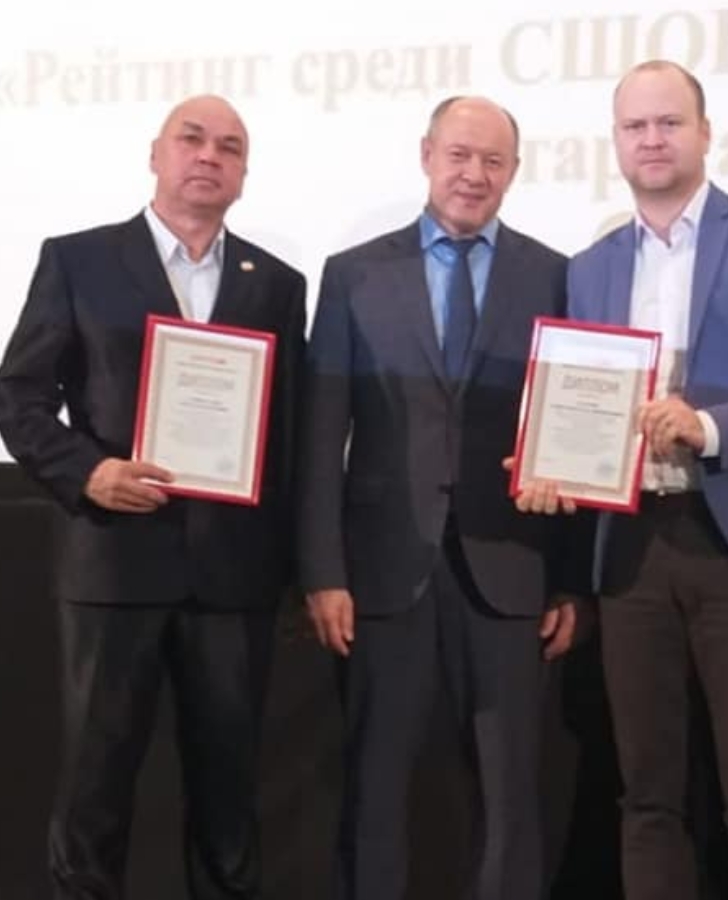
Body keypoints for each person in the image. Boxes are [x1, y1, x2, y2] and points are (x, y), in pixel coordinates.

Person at [0, 94, 307, 899]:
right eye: (191, 139)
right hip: (112, 564)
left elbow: (289, 435)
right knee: (94, 794)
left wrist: (300, 569)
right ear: (156, 154)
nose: (209, 156)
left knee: (229, 804)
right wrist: (87, 471)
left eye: (229, 147)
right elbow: (19, 396)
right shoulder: (80, 260)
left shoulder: (276, 283)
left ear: (244, 173)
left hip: (233, 578)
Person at [535, 59, 728, 900]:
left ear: (705, 133)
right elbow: (579, 400)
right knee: (646, 794)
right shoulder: (590, 267)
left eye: (670, 123)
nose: (653, 140)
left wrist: (712, 427)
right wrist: (551, 461)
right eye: (636, 126)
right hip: (631, 549)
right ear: (616, 142)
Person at [297, 95, 587, 900]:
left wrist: (570, 579)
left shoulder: (554, 275)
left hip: (512, 570)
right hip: (383, 573)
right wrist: (323, 572)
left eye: (493, 160)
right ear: (427, 155)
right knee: (375, 787)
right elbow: (320, 436)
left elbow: (574, 435)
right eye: (459, 155)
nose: (474, 174)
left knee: (510, 796)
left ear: (515, 171)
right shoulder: (354, 274)